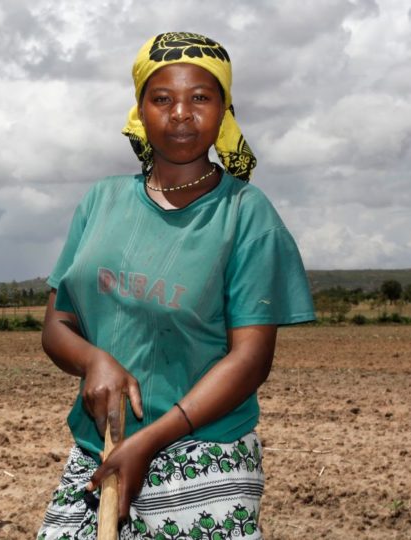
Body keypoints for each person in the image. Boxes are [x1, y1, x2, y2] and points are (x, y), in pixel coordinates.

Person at [37, 32, 315, 540]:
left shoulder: (246, 215)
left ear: (224, 109)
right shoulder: (101, 201)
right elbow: (58, 324)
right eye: (162, 98)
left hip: (202, 457)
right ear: (140, 110)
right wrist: (92, 360)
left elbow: (250, 360)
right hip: (96, 451)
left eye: (200, 98)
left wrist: (151, 440)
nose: (181, 113)